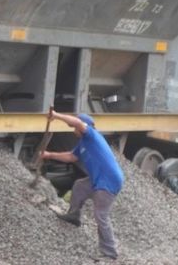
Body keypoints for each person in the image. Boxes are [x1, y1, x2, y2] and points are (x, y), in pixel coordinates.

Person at [42, 110, 124, 261]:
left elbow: (78, 123)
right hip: (97, 179)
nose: (73, 130)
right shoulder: (83, 144)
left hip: (109, 180)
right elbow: (71, 157)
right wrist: (48, 155)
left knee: (101, 215)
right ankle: (74, 215)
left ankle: (110, 251)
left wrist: (56, 115)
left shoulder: (92, 135)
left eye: (74, 127)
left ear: (83, 127)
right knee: (80, 185)